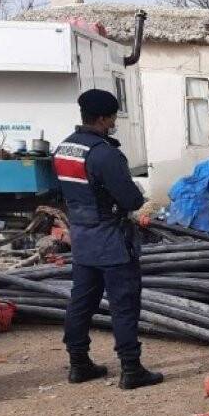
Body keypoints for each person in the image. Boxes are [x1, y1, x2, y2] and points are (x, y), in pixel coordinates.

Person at [55, 89, 164, 390]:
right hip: (111, 240)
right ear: (103, 119)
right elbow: (130, 199)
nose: (114, 123)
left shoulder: (64, 149)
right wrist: (137, 201)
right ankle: (131, 369)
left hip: (82, 238)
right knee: (124, 303)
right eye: (113, 118)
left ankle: (78, 364)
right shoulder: (104, 154)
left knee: (81, 301)